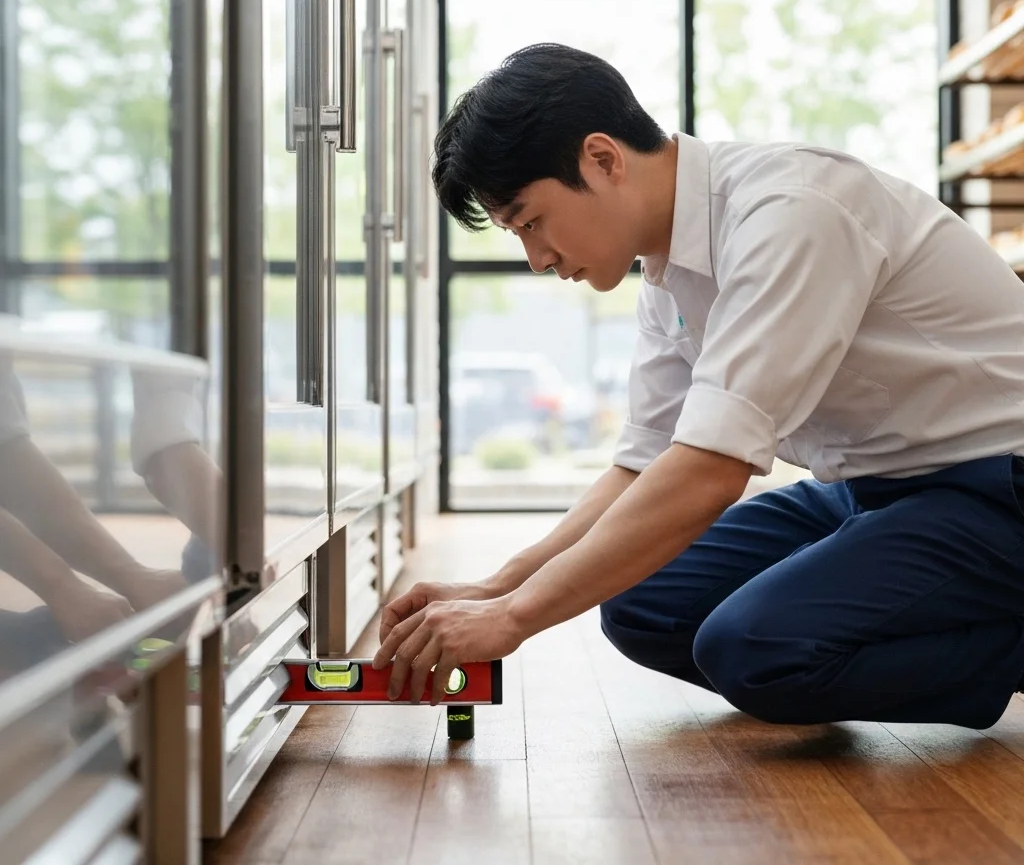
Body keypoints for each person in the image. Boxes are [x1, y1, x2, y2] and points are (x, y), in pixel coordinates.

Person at [372, 43, 1024, 728]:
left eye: (531, 221)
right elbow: (643, 465)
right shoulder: (666, 270)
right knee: (642, 605)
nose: (536, 259)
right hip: (874, 490)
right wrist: (498, 586)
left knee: (754, 647)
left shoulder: (789, 212)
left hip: (997, 488)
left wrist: (514, 619)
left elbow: (710, 471)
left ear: (602, 159)